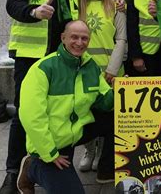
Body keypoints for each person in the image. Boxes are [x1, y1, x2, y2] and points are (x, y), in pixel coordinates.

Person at [1, 0, 78, 194]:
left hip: (61, 57)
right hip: (30, 58)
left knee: (61, 111)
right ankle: (13, 172)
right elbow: (13, 5)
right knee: (24, 115)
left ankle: (51, 163)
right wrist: (34, 12)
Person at [16, 20, 114, 193]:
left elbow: (107, 104)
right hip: (50, 145)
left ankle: (106, 168)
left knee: (116, 118)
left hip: (75, 132)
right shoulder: (43, 69)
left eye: (84, 38)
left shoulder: (91, 67)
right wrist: (50, 153)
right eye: (74, 37)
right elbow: (31, 118)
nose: (79, 42)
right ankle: (32, 166)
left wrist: (122, 89)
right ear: (63, 38)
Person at [76, 0, 127, 172]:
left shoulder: (115, 6)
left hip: (110, 73)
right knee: (86, 112)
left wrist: (112, 70)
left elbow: (121, 39)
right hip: (85, 72)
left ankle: (106, 152)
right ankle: (90, 150)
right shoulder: (77, 6)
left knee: (109, 114)